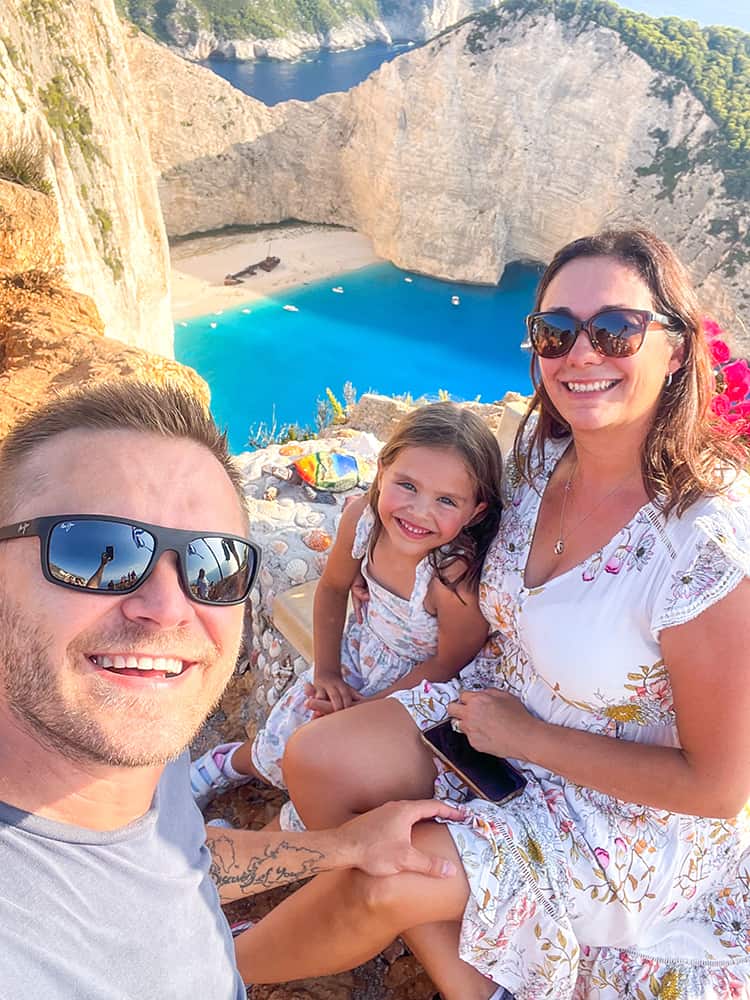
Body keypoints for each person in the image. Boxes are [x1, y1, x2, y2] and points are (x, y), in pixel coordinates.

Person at [231, 228, 750, 1000]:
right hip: (493, 719)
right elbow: (458, 548)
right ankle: (473, 963)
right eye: (554, 331)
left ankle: (200, 970)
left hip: (620, 811)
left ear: (675, 348)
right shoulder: (539, 460)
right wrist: (379, 563)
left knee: (393, 876)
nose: (581, 353)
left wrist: (530, 737)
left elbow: (717, 788)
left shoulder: (704, 545)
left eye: (615, 330)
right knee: (314, 757)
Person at [0, 380, 465, 999]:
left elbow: (173, 861)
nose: (167, 609)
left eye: (211, 565)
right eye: (96, 551)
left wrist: (340, 846)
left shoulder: (142, 765)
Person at [190, 401, 504, 832]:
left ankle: (269, 841)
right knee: (291, 729)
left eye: (446, 500)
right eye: (407, 485)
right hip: (362, 655)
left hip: (419, 691)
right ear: (381, 470)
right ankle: (229, 763)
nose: (418, 511)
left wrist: (365, 711)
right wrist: (329, 674)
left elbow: (447, 665)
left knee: (340, 772)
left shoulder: (452, 575)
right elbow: (334, 589)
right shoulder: (362, 519)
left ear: (476, 512)